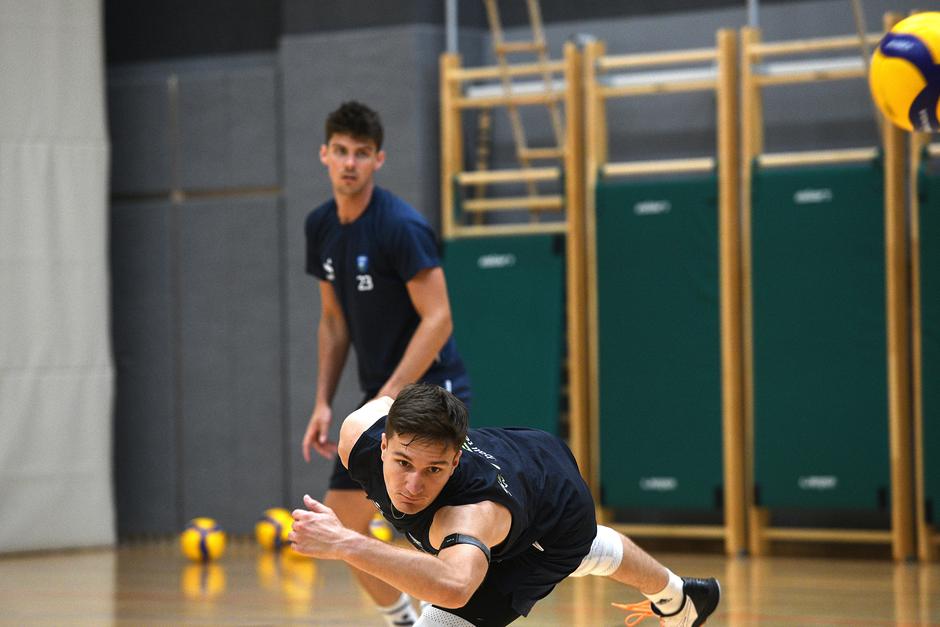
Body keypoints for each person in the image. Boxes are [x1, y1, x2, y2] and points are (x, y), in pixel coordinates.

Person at [289, 383, 721, 627]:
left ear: (455, 459)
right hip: (524, 456)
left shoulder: (469, 513)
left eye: (434, 469)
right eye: (403, 462)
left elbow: (454, 587)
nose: (413, 485)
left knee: (571, 548)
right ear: (383, 443)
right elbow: (386, 402)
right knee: (583, 549)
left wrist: (347, 542)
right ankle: (682, 599)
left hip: (555, 513)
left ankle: (675, 598)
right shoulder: (358, 436)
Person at [302, 101, 472, 626]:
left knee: (433, 524)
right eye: (341, 152)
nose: (350, 163)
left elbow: (439, 317)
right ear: (325, 155)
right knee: (344, 523)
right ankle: (403, 619)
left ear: (379, 159)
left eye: (362, 153)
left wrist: (392, 393)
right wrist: (324, 402)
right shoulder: (321, 226)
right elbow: (333, 322)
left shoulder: (400, 226)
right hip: (380, 396)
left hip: (432, 391)